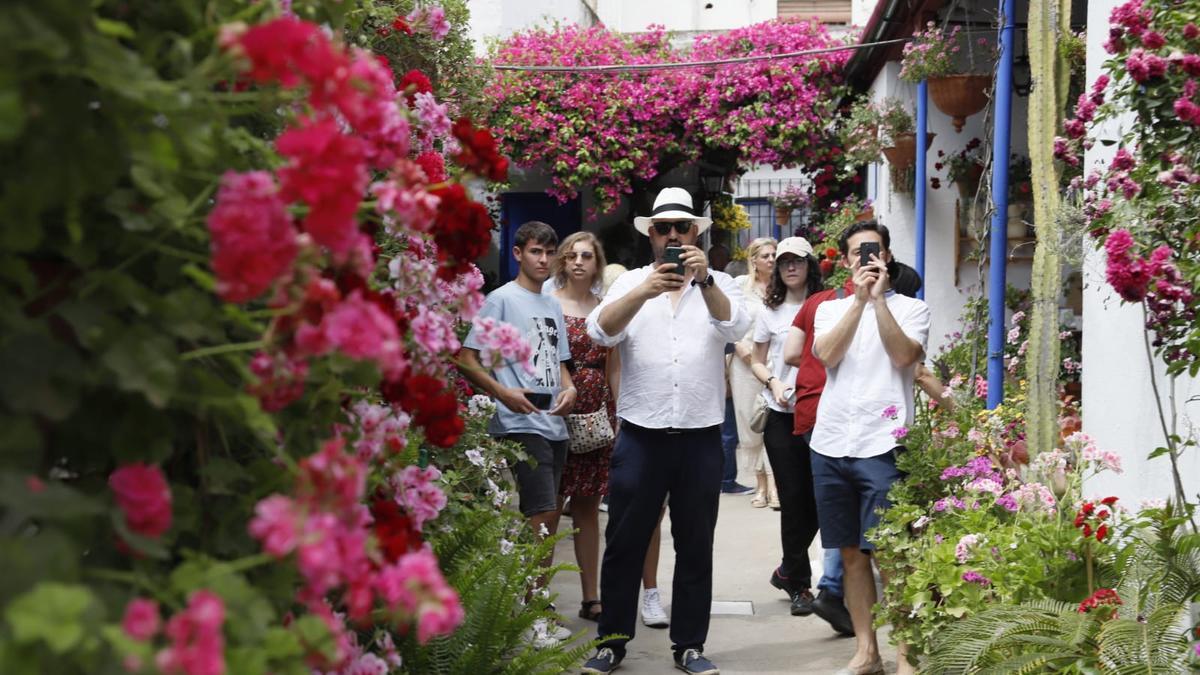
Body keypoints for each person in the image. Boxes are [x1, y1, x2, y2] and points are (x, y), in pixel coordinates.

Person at [581, 187, 749, 675]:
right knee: (625, 542)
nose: (672, 235)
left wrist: (705, 280)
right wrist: (643, 291)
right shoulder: (631, 283)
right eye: (663, 228)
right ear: (650, 235)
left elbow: (736, 329)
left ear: (696, 231)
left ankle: (689, 645)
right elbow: (599, 332)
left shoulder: (721, 284)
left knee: (696, 543)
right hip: (641, 433)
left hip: (700, 436)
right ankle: (612, 641)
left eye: (682, 227)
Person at [810, 220, 930, 675]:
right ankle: (867, 653)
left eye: (874, 250)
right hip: (832, 442)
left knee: (893, 556)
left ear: (888, 255)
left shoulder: (912, 309)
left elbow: (904, 357)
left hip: (884, 445)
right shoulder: (829, 309)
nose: (867, 259)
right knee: (849, 555)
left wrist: (878, 300)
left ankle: (906, 657)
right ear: (845, 261)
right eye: (858, 252)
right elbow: (826, 354)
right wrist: (859, 301)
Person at [459, 221, 578, 645]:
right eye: (535, 252)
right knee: (540, 517)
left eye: (549, 253)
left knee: (546, 521)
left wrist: (571, 388)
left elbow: (561, 362)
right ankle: (528, 616)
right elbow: (467, 358)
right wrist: (503, 393)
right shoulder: (501, 300)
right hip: (519, 422)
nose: (543, 260)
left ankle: (535, 606)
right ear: (518, 253)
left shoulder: (550, 305)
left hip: (555, 423)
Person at [747, 237, 824, 618]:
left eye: (798, 261)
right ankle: (800, 584)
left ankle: (786, 569)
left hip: (823, 411)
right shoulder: (770, 311)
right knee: (793, 499)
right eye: (783, 262)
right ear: (775, 269)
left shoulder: (828, 306)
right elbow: (757, 361)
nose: (791, 267)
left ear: (811, 264)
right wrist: (773, 382)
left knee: (818, 500)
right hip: (781, 414)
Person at [550, 232, 615, 624]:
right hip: (557, 410)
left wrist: (617, 411)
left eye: (586, 256)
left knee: (589, 509)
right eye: (571, 255)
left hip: (596, 417)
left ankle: (592, 596)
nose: (578, 261)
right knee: (551, 508)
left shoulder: (605, 308)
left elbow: (615, 363)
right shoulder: (548, 303)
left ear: (596, 263)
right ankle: (538, 595)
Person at [731, 238, 778, 509]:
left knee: (773, 422)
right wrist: (739, 347)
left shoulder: (782, 287)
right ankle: (759, 484)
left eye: (774, 254)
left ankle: (774, 484)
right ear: (754, 260)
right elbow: (728, 321)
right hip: (744, 362)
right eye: (766, 255)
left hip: (774, 363)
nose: (771, 259)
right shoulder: (740, 287)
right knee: (750, 423)